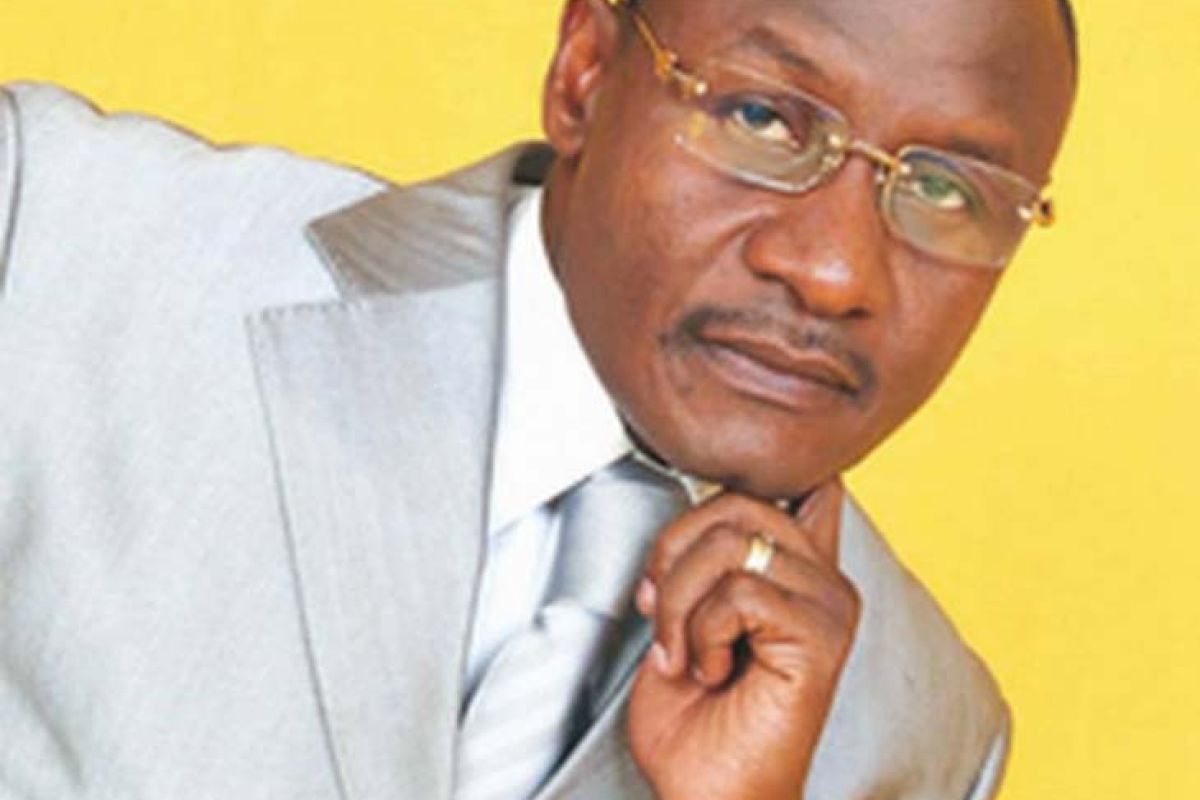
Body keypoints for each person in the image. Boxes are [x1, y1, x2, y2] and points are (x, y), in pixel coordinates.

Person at [0, 0, 1076, 797]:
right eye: (762, 118)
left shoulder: (930, 734)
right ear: (585, 75)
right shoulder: (56, 230)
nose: (835, 272)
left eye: (946, 190)